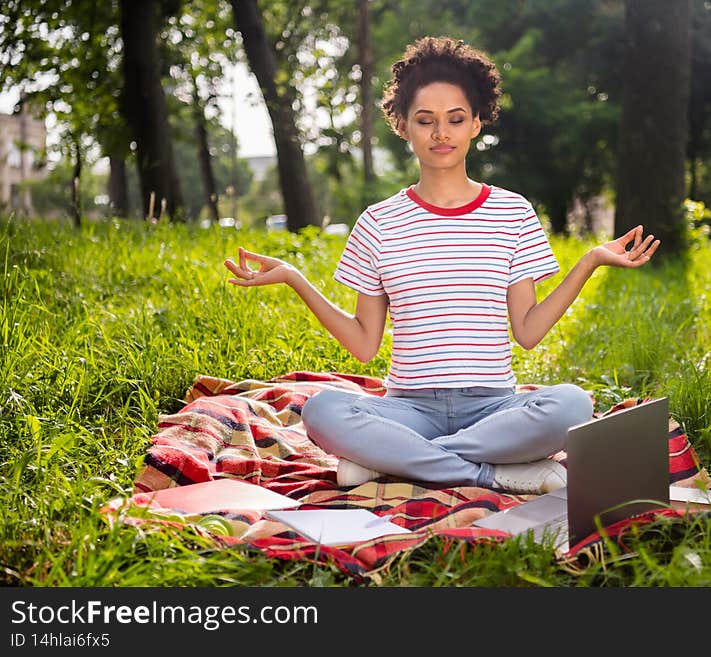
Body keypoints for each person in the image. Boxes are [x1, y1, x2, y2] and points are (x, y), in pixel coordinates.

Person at [224, 36, 659, 495]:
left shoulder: (512, 213)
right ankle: (486, 473)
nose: (440, 134)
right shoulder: (378, 222)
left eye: (455, 119)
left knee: (571, 404)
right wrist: (295, 279)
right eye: (425, 121)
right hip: (408, 409)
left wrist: (590, 261)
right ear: (403, 126)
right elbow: (364, 345)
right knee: (322, 411)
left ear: (476, 124)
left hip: (494, 409)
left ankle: (396, 461)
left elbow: (528, 333)